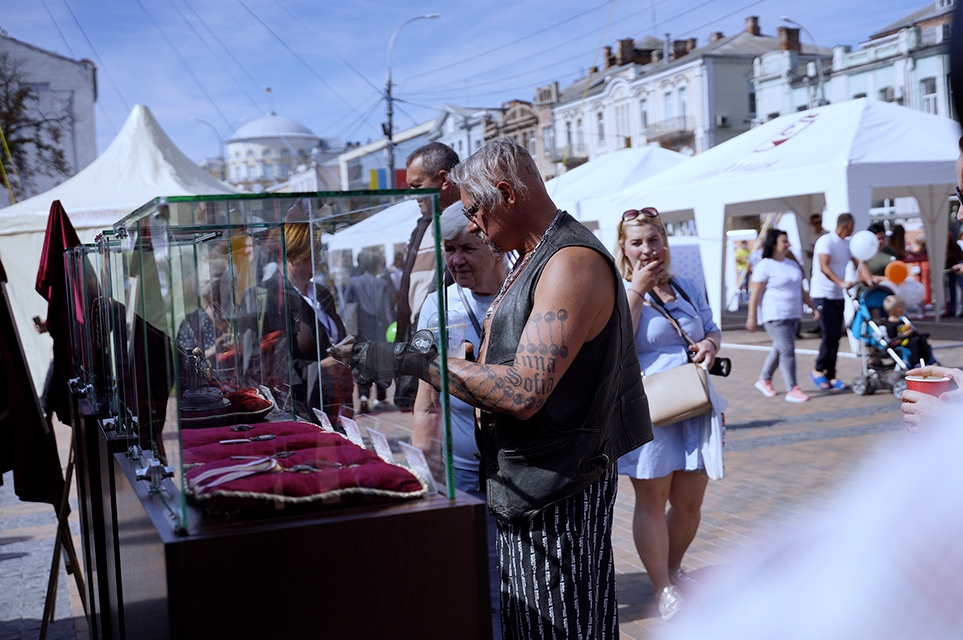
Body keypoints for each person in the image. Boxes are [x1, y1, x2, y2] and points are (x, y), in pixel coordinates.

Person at [337, 138, 651, 638]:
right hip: (528, 488)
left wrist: (415, 360)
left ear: (506, 193)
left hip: (557, 494)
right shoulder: (533, 256)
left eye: (474, 212)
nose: (474, 226)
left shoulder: (570, 261)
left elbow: (523, 392)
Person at [614, 206, 726, 620]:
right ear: (624, 249)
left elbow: (711, 328)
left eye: (654, 239)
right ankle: (662, 586)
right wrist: (638, 288)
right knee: (653, 496)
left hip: (695, 402)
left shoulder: (687, 286)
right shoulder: (619, 288)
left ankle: (675, 566)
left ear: (665, 241)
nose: (648, 249)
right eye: (637, 242)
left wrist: (710, 346)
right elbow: (617, 343)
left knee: (690, 501)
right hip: (650, 408)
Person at [411, 202, 510, 639]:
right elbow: (426, 399)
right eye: (448, 249)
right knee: (474, 569)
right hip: (463, 468)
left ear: (495, 245)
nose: (455, 260)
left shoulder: (527, 293)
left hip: (519, 468)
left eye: (466, 248)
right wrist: (423, 471)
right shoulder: (437, 306)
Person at [393, 142, 462, 410]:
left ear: (443, 179)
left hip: (453, 365)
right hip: (420, 361)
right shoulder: (421, 229)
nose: (414, 195)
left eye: (418, 186)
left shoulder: (476, 223)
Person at [747, 229, 818, 403]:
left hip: (793, 314)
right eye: (784, 241)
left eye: (787, 241)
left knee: (780, 349)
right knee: (787, 350)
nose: (787, 244)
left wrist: (813, 307)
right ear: (774, 244)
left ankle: (764, 379)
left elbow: (802, 291)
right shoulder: (765, 265)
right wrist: (752, 316)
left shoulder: (792, 264)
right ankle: (792, 388)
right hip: (775, 314)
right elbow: (755, 293)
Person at [809, 213, 859, 391]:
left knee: (836, 336)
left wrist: (870, 279)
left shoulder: (847, 244)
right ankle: (817, 369)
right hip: (822, 294)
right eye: (853, 226)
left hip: (838, 296)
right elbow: (824, 266)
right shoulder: (826, 241)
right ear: (848, 225)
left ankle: (830, 375)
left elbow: (859, 262)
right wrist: (841, 283)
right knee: (829, 333)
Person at [344, 249, 394, 412]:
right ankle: (380, 397)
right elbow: (388, 310)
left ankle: (363, 395)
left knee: (362, 363)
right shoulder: (382, 283)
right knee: (380, 363)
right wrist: (391, 329)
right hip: (380, 329)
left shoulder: (354, 282)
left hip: (360, 329)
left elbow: (347, 307)